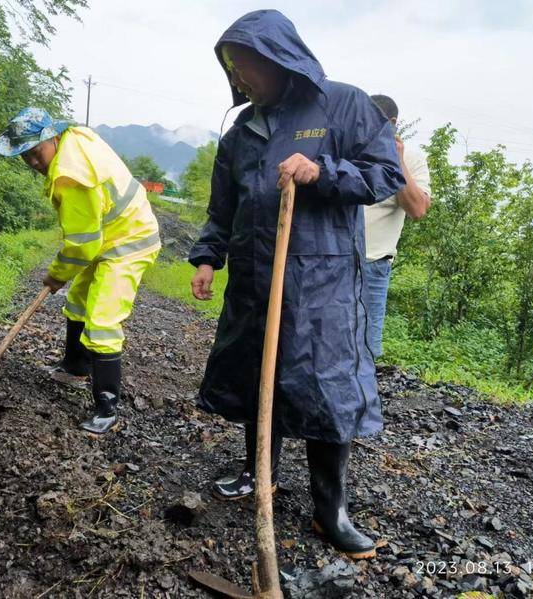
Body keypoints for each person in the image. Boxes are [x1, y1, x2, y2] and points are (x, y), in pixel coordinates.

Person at [188, 10, 404, 559]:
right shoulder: (240, 132)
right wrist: (208, 257)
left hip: (322, 282)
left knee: (325, 383)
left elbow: (385, 176)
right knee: (258, 376)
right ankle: (259, 473)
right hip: (255, 277)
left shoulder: (344, 104)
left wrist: (322, 171)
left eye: (246, 65)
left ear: (276, 57)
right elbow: (223, 207)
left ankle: (331, 509)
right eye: (232, 68)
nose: (239, 78)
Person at [0, 107, 161, 435]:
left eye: (35, 152)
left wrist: (56, 274)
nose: (32, 162)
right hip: (109, 232)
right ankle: (75, 365)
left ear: (52, 138)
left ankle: (107, 407)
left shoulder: (70, 177)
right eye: (24, 156)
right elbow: (88, 241)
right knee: (77, 300)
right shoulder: (75, 135)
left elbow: (81, 246)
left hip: (130, 240)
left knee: (101, 320)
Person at [363, 95, 432, 358]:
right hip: (334, 260)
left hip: (373, 264)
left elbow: (417, 209)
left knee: (366, 348)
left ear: (392, 123)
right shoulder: (347, 149)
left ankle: (363, 397)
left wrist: (397, 160)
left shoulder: (413, 159)